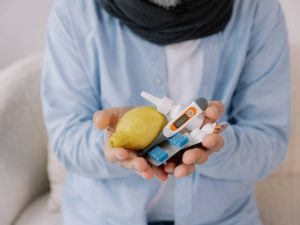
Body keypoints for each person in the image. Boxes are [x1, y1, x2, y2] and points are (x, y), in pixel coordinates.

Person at [41, 0, 291, 224]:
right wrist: (110, 147)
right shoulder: (74, 10)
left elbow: (268, 142)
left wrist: (215, 147)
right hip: (101, 216)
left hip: (224, 217)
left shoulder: (257, 8)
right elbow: (65, 138)